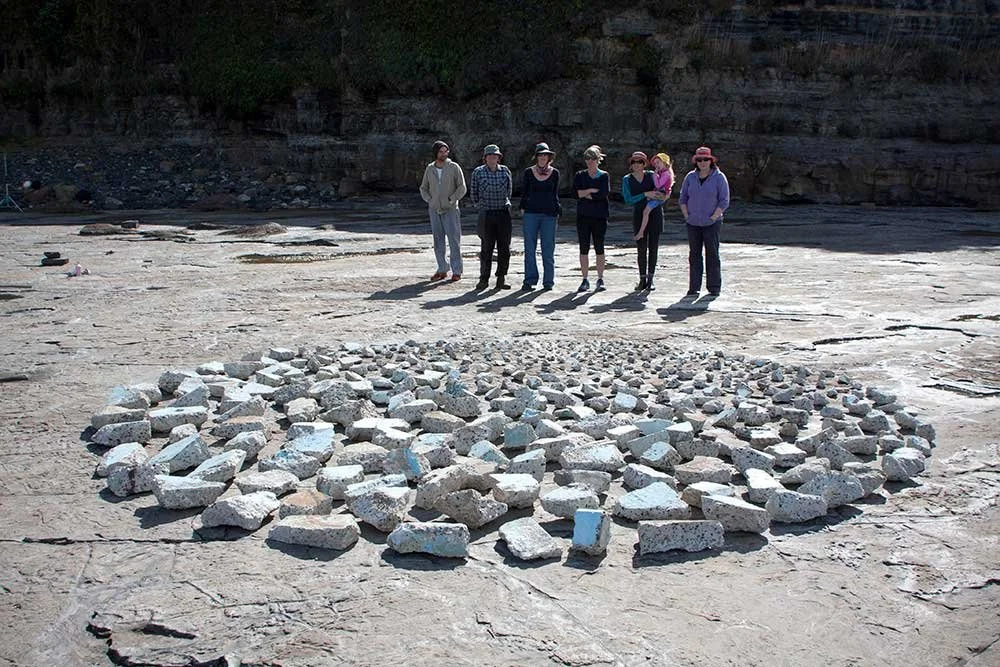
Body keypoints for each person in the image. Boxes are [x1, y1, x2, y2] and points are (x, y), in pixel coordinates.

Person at [679, 146, 730, 297]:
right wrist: (687, 216)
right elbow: (683, 198)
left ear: (711, 161)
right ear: (696, 161)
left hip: (712, 223)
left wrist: (714, 217)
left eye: (705, 159)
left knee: (712, 254)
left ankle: (714, 287)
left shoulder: (719, 177)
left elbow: (724, 200)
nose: (702, 162)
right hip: (693, 222)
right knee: (694, 255)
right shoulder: (690, 177)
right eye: (699, 160)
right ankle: (694, 287)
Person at [419, 140, 467, 282]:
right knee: (438, 240)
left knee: (454, 240)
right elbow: (423, 188)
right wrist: (429, 200)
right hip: (434, 209)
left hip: (451, 209)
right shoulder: (430, 169)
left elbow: (462, 187)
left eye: (446, 151)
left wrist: (452, 199)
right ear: (436, 153)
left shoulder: (454, 167)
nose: (444, 154)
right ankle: (442, 269)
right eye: (441, 152)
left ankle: (457, 270)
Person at [469, 144, 513, 290]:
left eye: (496, 156)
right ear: (485, 158)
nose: (493, 158)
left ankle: (501, 278)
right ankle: (484, 278)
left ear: (499, 158)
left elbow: (509, 191)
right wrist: (480, 206)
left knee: (504, 248)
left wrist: (505, 203)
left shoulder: (505, 171)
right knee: (486, 248)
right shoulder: (478, 172)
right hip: (486, 214)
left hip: (503, 213)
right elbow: (474, 192)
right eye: (490, 156)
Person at [621, 151, 666, 291]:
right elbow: (628, 199)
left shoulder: (652, 175)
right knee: (641, 247)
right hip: (639, 215)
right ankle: (642, 279)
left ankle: (651, 279)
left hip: (655, 213)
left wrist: (658, 196)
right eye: (634, 162)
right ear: (630, 164)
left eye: (640, 162)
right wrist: (645, 194)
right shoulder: (627, 179)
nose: (637, 164)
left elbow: (663, 191)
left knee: (653, 246)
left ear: (644, 163)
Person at [519, 142, 561, 291]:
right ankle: (529, 280)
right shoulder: (528, 172)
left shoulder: (555, 173)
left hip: (549, 215)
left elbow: (555, 194)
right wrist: (522, 208)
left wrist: (557, 211)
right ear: (536, 157)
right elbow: (525, 192)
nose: (543, 157)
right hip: (531, 213)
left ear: (549, 157)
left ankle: (548, 281)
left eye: (545, 155)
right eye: (540, 155)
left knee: (548, 249)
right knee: (529, 248)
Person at [573, 144, 610, 292]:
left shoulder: (604, 176)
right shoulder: (580, 175)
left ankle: (600, 278)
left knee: (599, 247)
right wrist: (590, 191)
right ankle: (585, 279)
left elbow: (602, 194)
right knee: (584, 248)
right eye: (587, 158)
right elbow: (576, 193)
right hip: (583, 216)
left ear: (598, 159)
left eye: (593, 158)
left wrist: (586, 194)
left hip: (599, 217)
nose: (590, 161)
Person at [635, 152, 674, 241]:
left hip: (661, 194)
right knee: (645, 208)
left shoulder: (666, 174)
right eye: (655, 163)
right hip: (658, 193)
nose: (656, 165)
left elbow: (658, 185)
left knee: (646, 211)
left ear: (665, 163)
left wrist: (655, 175)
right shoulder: (662, 173)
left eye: (658, 163)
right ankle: (642, 230)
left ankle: (641, 231)